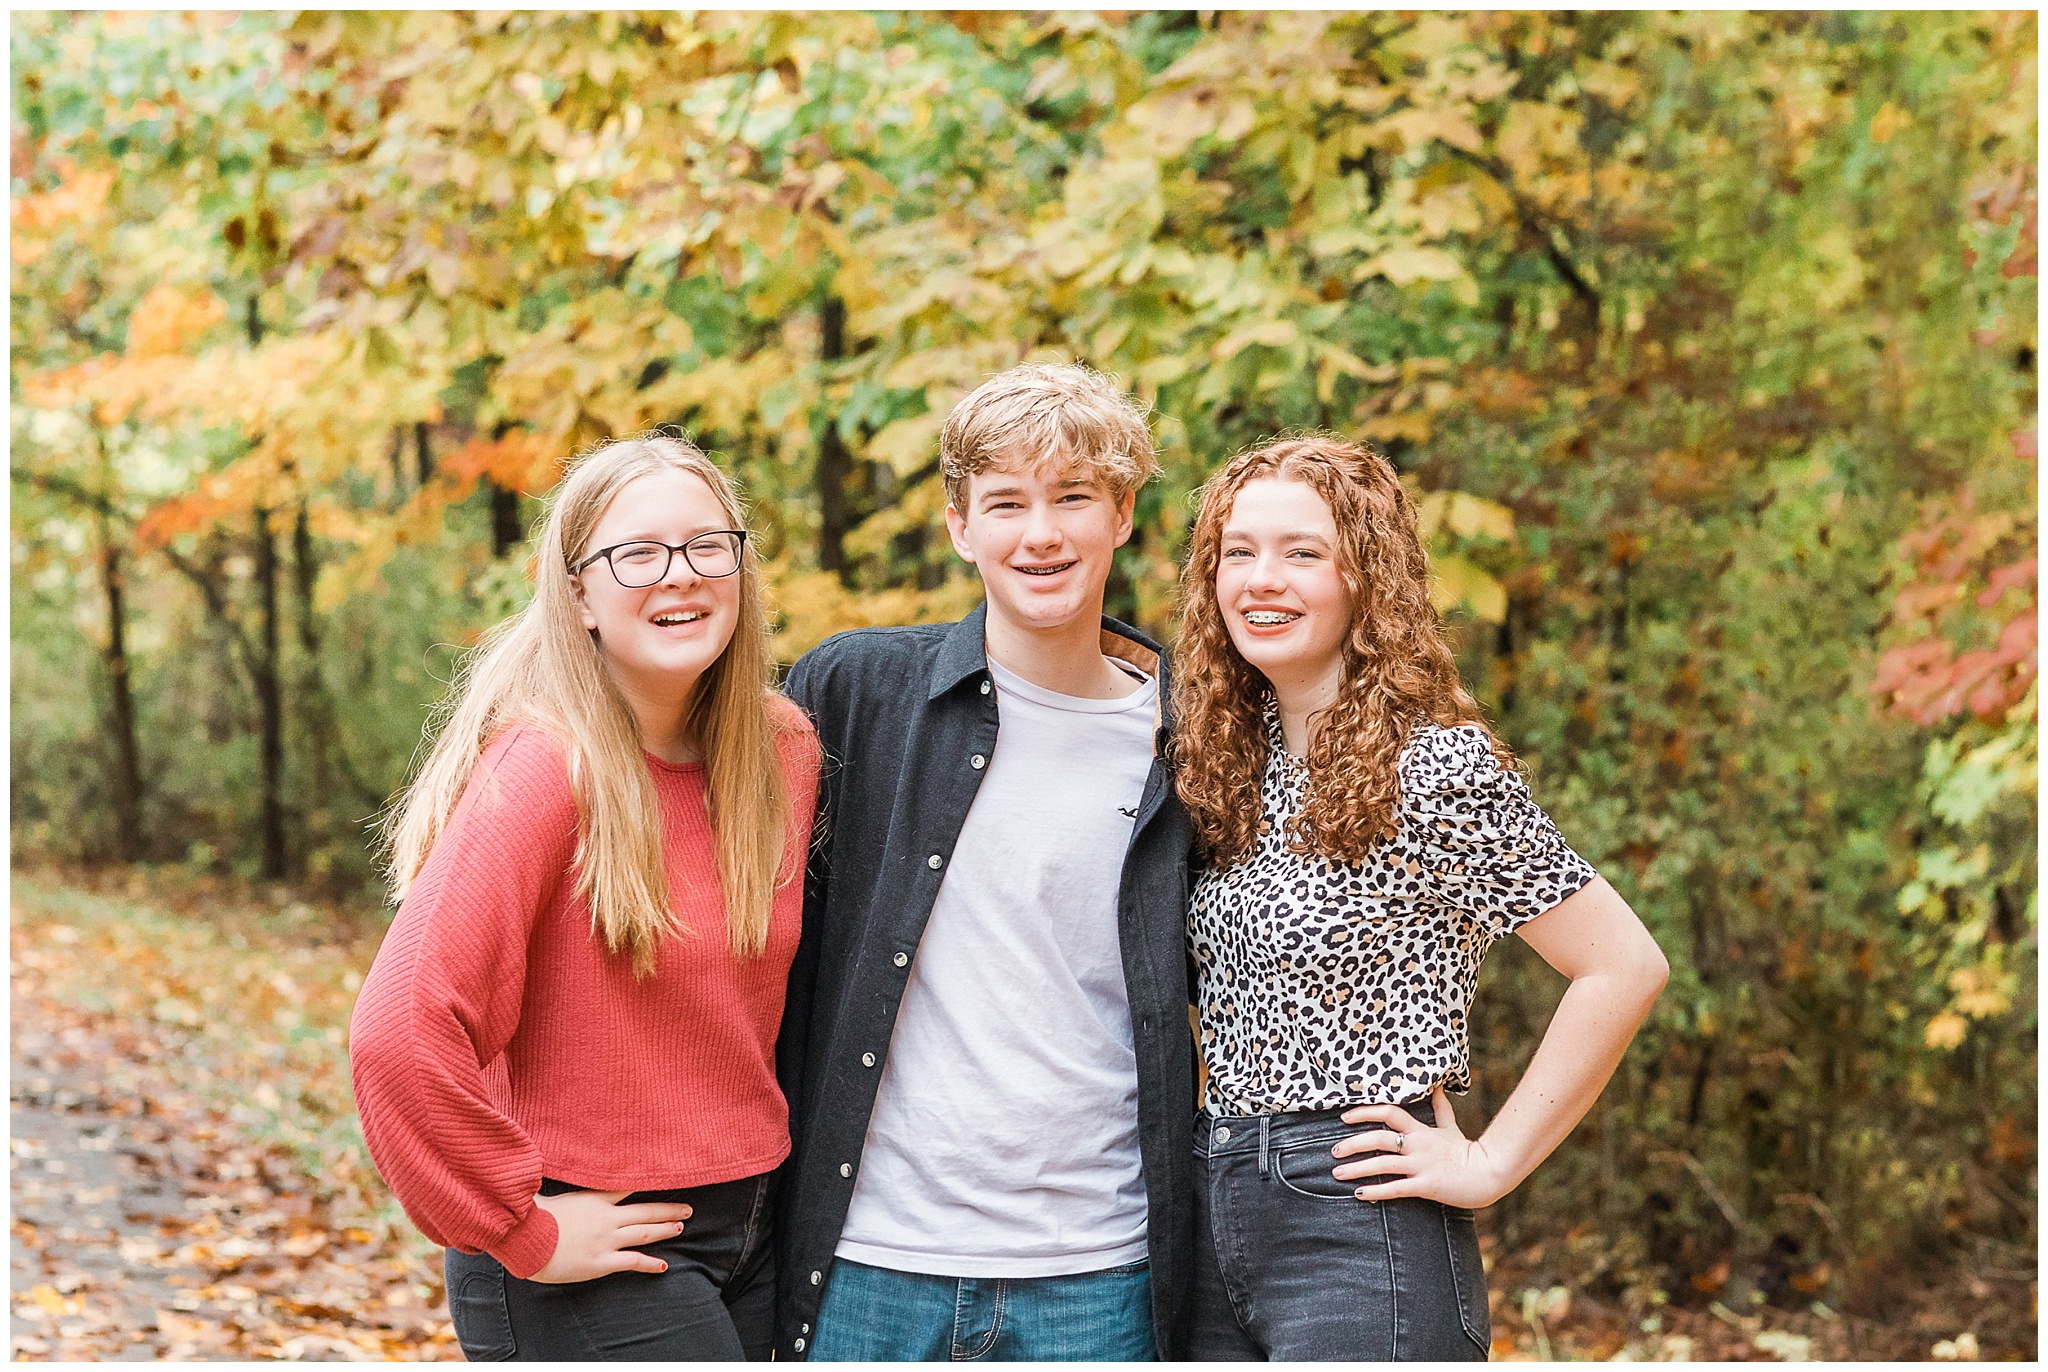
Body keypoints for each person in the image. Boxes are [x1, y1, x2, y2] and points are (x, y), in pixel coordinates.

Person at [1171, 435, 1670, 1361]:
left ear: (1367, 577)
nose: (1261, 579)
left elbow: (1623, 965)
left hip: (1357, 1215)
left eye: (1303, 552)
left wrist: (1489, 1163)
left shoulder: (1429, 765)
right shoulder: (1228, 765)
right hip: (1213, 1200)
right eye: (1238, 552)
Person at [349, 434, 820, 1361]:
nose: (678, 577)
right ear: (578, 593)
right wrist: (521, 1227)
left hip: (759, 1225)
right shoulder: (547, 768)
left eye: (705, 546)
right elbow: (398, 1029)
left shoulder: (782, 752)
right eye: (636, 554)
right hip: (592, 1242)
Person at [773, 363, 1198, 1361]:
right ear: (961, 524)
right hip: (869, 1258)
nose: (1038, 533)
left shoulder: (1190, 739)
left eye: (1071, 497)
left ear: (1122, 513)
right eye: (1005, 501)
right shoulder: (855, 692)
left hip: (1097, 1270)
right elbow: (737, 930)